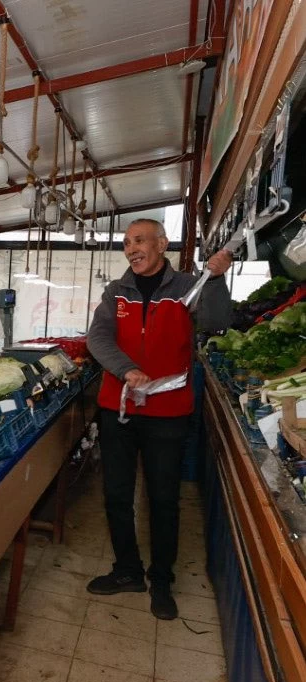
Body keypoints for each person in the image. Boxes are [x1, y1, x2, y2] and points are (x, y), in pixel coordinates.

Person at [86, 217, 232, 620]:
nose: (131, 248)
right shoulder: (116, 292)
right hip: (119, 408)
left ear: (161, 244)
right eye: (126, 244)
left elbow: (219, 323)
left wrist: (216, 279)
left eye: (139, 241)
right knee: (117, 495)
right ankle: (127, 570)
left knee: (164, 498)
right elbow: (97, 338)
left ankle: (161, 579)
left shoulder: (187, 288)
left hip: (168, 413)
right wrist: (125, 368)